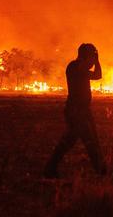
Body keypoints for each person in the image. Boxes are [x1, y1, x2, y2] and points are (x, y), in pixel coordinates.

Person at [44, 43, 107, 178]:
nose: (92, 61)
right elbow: (89, 70)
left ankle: (50, 167)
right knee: (88, 140)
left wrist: (96, 61)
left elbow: (98, 75)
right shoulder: (74, 66)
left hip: (83, 110)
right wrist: (94, 60)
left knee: (75, 140)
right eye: (90, 57)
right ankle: (100, 170)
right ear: (84, 56)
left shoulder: (82, 68)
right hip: (76, 110)